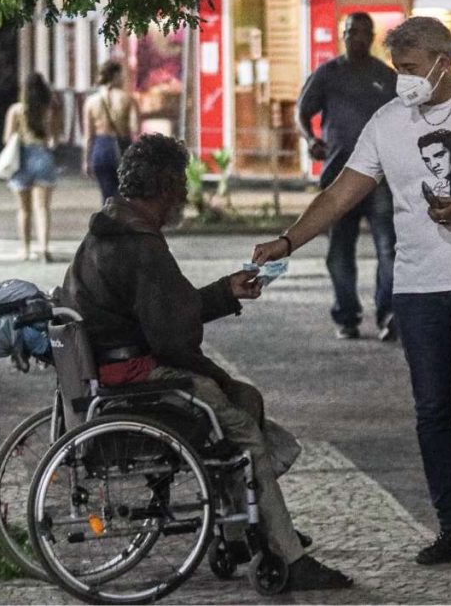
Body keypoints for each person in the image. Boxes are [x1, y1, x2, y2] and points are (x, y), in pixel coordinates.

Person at [255, 16, 451, 564]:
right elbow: (339, 196)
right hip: (418, 287)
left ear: (440, 61)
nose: (401, 80)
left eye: (407, 68)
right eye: (398, 68)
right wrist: (287, 242)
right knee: (432, 410)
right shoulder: (387, 122)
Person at [60, 133, 353, 591]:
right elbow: (174, 338)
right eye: (179, 182)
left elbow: (165, 311)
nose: (184, 193)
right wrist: (217, 377)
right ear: (162, 186)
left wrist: (224, 292)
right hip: (138, 385)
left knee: (241, 400)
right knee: (241, 426)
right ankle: (286, 555)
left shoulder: (104, 233)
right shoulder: (142, 247)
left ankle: (241, 534)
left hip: (109, 376)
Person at [296, 12, 398, 341]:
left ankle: (389, 314)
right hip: (338, 178)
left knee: (390, 249)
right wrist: (311, 139)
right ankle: (347, 315)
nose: (357, 36)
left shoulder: (387, 76)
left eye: (364, 31)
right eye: (351, 31)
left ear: (372, 37)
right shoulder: (327, 74)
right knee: (340, 251)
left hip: (379, 179)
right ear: (343, 34)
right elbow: (302, 111)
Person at [2, 73, 58, 262]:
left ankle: (25, 249)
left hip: (22, 158)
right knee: (42, 208)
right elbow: (53, 138)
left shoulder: (16, 110)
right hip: (43, 156)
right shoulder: (46, 110)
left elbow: (7, 138)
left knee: (23, 210)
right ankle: (44, 248)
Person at [83, 61, 139, 203]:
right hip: (123, 146)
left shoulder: (90, 102)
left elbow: (88, 135)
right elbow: (135, 128)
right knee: (126, 193)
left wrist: (86, 160)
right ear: (115, 75)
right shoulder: (128, 99)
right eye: (121, 75)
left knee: (107, 194)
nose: (123, 78)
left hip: (100, 147)